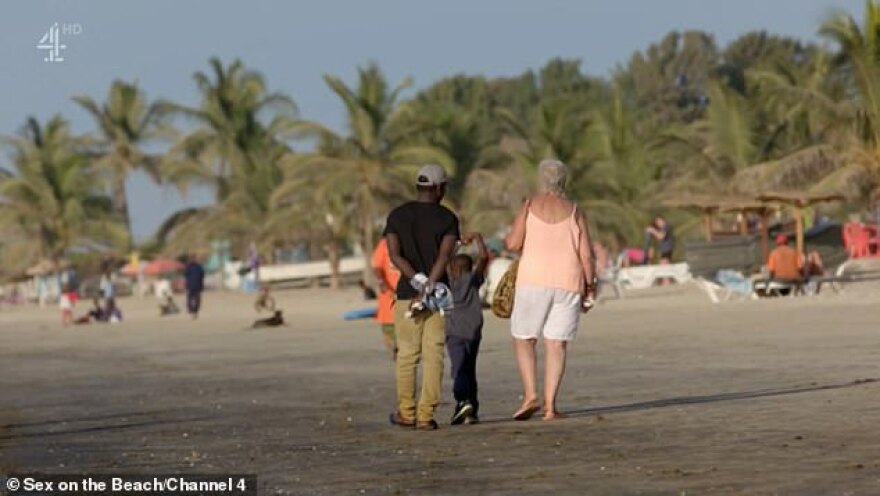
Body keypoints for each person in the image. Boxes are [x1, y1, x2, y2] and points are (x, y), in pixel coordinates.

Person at [505, 159, 596, 421]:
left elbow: (512, 243)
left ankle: (531, 394)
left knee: (524, 338)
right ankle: (550, 408)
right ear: (564, 181)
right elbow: (587, 256)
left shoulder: (529, 205)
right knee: (556, 344)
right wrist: (590, 285)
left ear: (541, 180)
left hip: (533, 279)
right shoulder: (576, 210)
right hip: (569, 281)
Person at [385, 164, 459, 431]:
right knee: (434, 355)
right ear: (439, 188)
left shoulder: (397, 216)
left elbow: (395, 256)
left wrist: (416, 281)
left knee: (407, 355)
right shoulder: (448, 218)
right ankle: (426, 415)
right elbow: (444, 256)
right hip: (438, 297)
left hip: (407, 296)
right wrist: (428, 287)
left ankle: (406, 412)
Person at [446, 232, 489, 425]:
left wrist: (457, 244)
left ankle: (463, 400)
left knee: (459, 369)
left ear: (452, 270)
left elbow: (444, 260)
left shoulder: (448, 283)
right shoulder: (473, 281)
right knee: (470, 369)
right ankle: (472, 409)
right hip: (473, 332)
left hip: (454, 333)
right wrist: (478, 239)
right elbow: (484, 258)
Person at [371, 237, 402, 359]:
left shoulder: (412, 238)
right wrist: (381, 282)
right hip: (389, 295)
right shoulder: (385, 243)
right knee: (389, 327)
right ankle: (395, 350)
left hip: (410, 294)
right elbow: (377, 266)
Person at [184, 254, 206, 319]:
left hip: (190, 285)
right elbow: (202, 275)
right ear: (195, 259)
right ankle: (195, 310)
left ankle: (191, 309)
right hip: (198, 285)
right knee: (197, 299)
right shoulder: (199, 267)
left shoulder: (188, 267)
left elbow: (185, 275)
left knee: (189, 298)